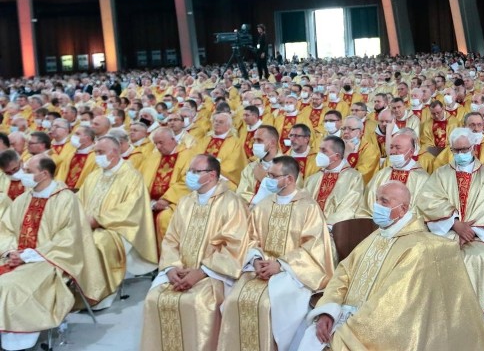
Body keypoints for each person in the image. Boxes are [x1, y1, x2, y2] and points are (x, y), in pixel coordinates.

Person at [299, 181, 484, 351]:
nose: (377, 205)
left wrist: (347, 328)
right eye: (377, 199)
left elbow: (393, 306)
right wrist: (328, 311)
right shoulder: (378, 235)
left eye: (384, 201)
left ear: (403, 209)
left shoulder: (416, 248)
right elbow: (344, 273)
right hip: (342, 315)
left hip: (366, 329)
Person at [218, 156, 334, 351]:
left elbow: (315, 247)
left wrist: (281, 265)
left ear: (289, 179)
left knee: (267, 304)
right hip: (260, 268)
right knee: (233, 300)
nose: (267, 179)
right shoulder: (263, 205)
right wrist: (255, 260)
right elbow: (251, 237)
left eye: (272, 176)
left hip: (292, 273)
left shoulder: (308, 207)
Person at [141, 154, 249, 351]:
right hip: (180, 271)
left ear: (211, 175)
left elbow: (235, 246)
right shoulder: (185, 202)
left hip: (213, 274)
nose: (189, 175)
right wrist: (172, 268)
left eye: (195, 172)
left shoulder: (232, 203)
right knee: (153, 298)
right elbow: (171, 239)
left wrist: (200, 273)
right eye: (189, 171)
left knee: (198, 302)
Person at [0, 154, 106, 351]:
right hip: (17, 257)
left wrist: (28, 255)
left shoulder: (66, 199)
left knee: (8, 286)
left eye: (29, 171)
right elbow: (5, 229)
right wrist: (11, 252)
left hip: (50, 260)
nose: (23, 174)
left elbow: (69, 238)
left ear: (44, 174)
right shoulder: (24, 198)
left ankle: (16, 342)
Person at [418, 128, 484, 322]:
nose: (461, 154)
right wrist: (454, 224)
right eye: (456, 150)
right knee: (434, 255)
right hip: (446, 231)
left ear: (473, 148)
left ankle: (478, 320)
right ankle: (443, 317)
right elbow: (429, 199)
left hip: (477, 236)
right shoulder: (441, 174)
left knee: (478, 257)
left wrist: (469, 232)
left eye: (465, 149)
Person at [77, 136, 158, 309]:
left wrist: (98, 220)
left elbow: (131, 209)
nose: (96, 156)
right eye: (96, 152)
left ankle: (98, 295)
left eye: (100, 152)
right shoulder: (93, 176)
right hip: (86, 225)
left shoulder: (132, 177)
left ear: (114, 152)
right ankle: (75, 293)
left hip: (117, 229)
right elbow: (78, 201)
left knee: (97, 243)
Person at [360, 131, 429, 217]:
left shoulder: (422, 178)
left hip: (407, 226)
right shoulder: (382, 174)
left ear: (411, 152)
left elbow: (421, 210)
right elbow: (368, 204)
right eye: (391, 147)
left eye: (398, 148)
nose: (392, 151)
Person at [303, 136, 364, 227]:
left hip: (335, 230)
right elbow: (303, 205)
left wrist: (329, 225)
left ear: (336, 156)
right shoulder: (312, 179)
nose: (319, 154)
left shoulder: (354, 178)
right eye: (319, 150)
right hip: (309, 228)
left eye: (324, 151)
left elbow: (349, 207)